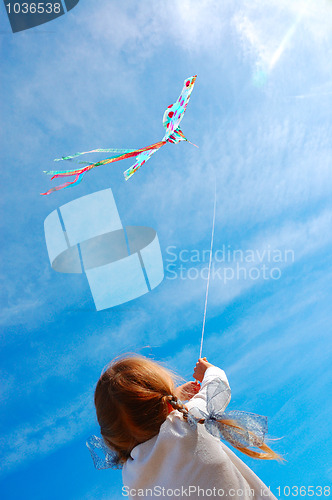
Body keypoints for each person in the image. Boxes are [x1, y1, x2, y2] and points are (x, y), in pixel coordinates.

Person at [93, 355, 280, 499]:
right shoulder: (186, 424)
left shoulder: (131, 477)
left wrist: (176, 396)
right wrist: (209, 370)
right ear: (167, 405)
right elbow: (218, 388)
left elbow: (139, 422)